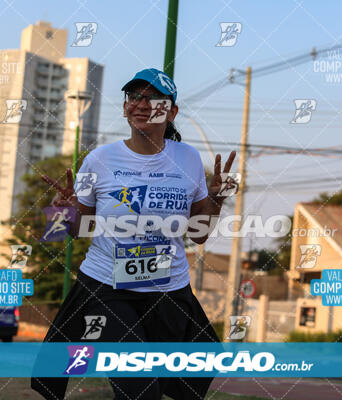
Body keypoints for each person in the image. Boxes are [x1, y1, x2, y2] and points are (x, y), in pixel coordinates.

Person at [31, 68, 236, 400]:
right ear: (126, 107)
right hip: (108, 289)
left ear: (171, 112)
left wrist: (215, 199)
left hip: (168, 292)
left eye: (153, 98)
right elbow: (78, 230)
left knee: (178, 387)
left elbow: (198, 235)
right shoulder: (99, 160)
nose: (141, 104)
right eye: (134, 97)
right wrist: (62, 210)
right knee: (139, 388)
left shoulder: (188, 159)